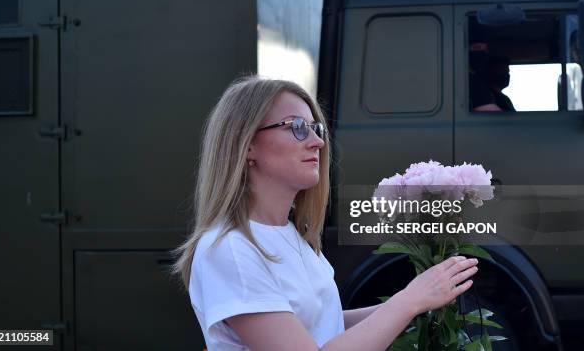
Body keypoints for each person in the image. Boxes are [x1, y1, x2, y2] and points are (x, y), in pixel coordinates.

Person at [170, 76, 479, 350]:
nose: (318, 142)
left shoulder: (292, 236)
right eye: (298, 128)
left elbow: (323, 325)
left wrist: (419, 302)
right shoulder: (230, 249)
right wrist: (408, 301)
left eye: (316, 129)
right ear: (247, 145)